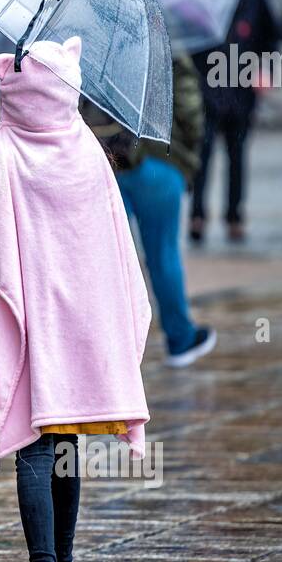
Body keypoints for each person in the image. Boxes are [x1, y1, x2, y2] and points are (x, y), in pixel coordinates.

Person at [0, 37, 149, 562]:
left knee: (30, 446)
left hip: (23, 328)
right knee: (65, 446)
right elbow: (114, 248)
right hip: (79, 328)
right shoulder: (86, 149)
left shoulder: (2, 153)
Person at [88, 54, 217, 367]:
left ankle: (110, 353)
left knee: (108, 261)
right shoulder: (163, 48)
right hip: (159, 163)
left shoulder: (89, 51)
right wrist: (185, 156)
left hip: (105, 165)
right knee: (163, 255)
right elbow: (190, 111)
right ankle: (180, 340)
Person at [190, 0, 278, 243]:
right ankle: (197, 214)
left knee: (237, 155)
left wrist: (263, 68)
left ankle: (234, 214)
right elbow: (192, 40)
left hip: (241, 89)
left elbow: (270, 37)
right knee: (202, 156)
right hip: (208, 88)